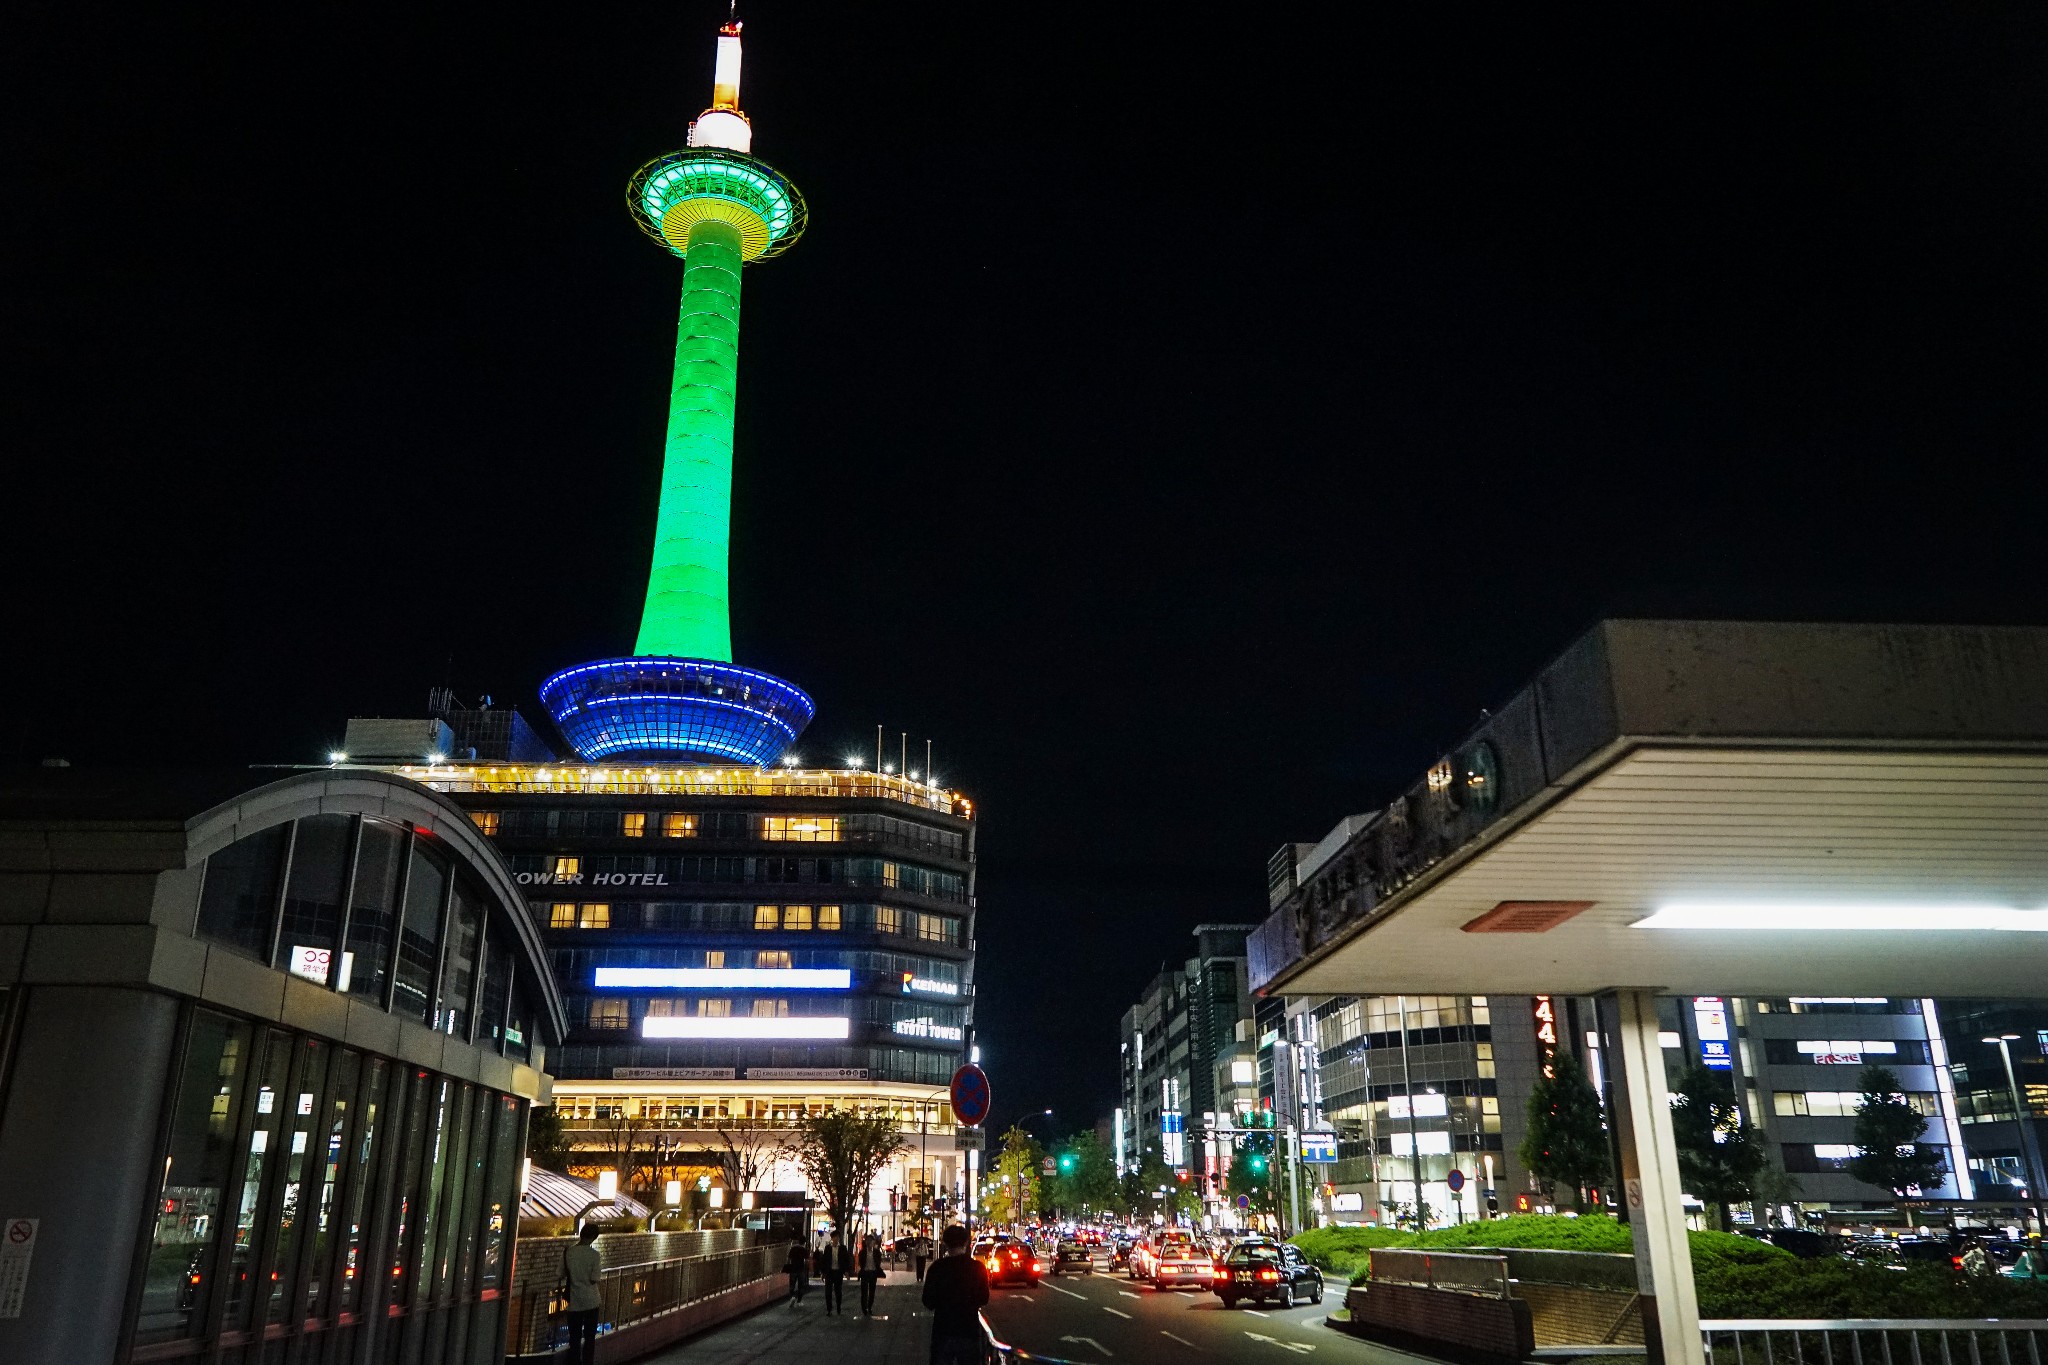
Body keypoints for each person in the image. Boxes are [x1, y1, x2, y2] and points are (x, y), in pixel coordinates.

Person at [920, 1224, 990, 1365]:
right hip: (968, 1328)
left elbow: (928, 1300)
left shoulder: (937, 1268)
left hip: (943, 1328)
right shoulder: (977, 1268)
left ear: (945, 1243)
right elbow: (984, 1298)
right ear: (966, 1242)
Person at [562, 1222, 603, 1365]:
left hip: (574, 1300)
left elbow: (560, 1273)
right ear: (593, 1237)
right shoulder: (594, 1255)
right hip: (591, 1300)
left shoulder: (568, 1252)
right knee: (589, 1337)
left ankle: (574, 1362)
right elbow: (595, 1279)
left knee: (574, 1337)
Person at [817, 1233, 848, 1314]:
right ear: (832, 1238)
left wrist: (846, 1271)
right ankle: (829, 1309)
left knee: (838, 1291)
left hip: (838, 1272)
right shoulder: (828, 1248)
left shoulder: (842, 1248)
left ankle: (838, 1307)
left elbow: (846, 1260)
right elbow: (824, 1261)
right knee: (828, 1292)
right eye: (835, 1237)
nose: (836, 1239)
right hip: (829, 1272)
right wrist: (823, 1273)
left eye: (838, 1237)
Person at [858, 1231, 884, 1315]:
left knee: (872, 1292)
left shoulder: (876, 1252)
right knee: (864, 1292)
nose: (869, 1243)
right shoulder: (862, 1252)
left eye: (871, 1241)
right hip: (865, 1273)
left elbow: (878, 1262)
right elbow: (861, 1263)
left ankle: (869, 1307)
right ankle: (864, 1308)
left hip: (873, 1273)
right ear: (866, 1242)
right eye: (868, 1241)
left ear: (873, 1243)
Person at [784, 1238, 810, 1304]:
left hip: (793, 1269)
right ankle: (799, 1301)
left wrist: (789, 1266)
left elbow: (788, 1258)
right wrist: (806, 1268)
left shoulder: (793, 1248)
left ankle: (792, 1297)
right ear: (804, 1243)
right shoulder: (804, 1250)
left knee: (792, 1285)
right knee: (801, 1285)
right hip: (801, 1269)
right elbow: (807, 1261)